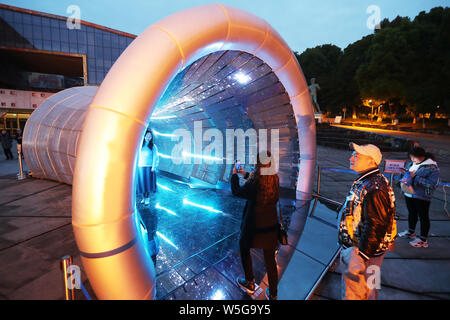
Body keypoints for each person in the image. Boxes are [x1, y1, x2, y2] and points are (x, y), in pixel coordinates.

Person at [338, 142, 396, 300]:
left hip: (364, 251)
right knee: (371, 287)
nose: (351, 158)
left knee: (356, 292)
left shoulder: (374, 187)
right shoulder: (371, 181)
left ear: (371, 161)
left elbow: (376, 224)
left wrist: (361, 256)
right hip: (373, 251)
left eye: (357, 156)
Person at [231, 151, 280, 300]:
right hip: (270, 227)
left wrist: (234, 175)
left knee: (244, 248)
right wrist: (245, 174)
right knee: (270, 261)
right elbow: (256, 184)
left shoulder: (256, 183)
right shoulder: (275, 179)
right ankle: (272, 294)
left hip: (253, 227)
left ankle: (250, 283)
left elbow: (237, 191)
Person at [398, 147, 439, 248]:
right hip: (409, 193)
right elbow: (407, 175)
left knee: (423, 216)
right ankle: (411, 232)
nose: (412, 160)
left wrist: (415, 177)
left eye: (414, 157)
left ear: (422, 156)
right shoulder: (411, 164)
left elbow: (432, 184)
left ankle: (423, 239)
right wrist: (403, 175)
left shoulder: (432, 167)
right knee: (412, 213)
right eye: (411, 157)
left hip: (422, 195)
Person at [136, 129, 159, 205]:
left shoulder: (153, 146)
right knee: (142, 184)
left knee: (148, 184)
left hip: (149, 168)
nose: (148, 137)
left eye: (150, 136)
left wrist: (153, 166)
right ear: (144, 136)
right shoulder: (140, 145)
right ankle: (143, 198)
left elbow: (155, 157)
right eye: (147, 136)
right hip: (141, 167)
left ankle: (147, 199)